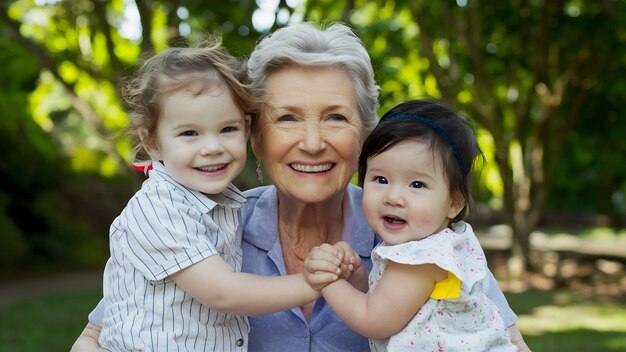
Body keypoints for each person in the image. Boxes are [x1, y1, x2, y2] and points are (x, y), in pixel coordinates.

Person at [73, 21, 529, 351]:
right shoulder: (203, 223)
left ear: (365, 135)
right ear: (253, 134)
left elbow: (502, 339)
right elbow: (104, 332)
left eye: (335, 117)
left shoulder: (419, 234)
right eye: (287, 118)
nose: (312, 143)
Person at [92, 38, 331, 351]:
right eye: (189, 133)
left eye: (227, 129)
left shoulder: (223, 201)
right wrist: (307, 284)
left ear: (246, 129)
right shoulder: (160, 207)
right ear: (152, 142)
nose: (212, 147)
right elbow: (223, 293)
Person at [305, 99, 519, 351]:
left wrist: (328, 282)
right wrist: (357, 278)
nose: (393, 197)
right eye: (381, 179)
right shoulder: (452, 242)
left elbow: (373, 319)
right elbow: (394, 302)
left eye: (417, 184)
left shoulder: (420, 259)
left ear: (454, 203)